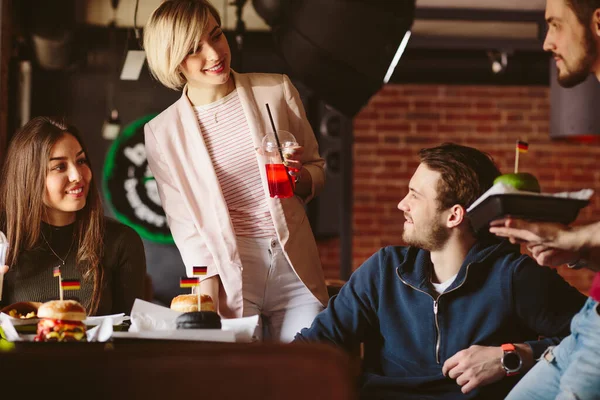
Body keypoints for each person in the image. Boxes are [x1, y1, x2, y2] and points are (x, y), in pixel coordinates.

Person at [294, 143, 586, 400]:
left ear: (454, 215)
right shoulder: (384, 270)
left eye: (414, 195)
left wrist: (511, 356)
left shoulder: (513, 275)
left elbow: (589, 338)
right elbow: (315, 346)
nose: (402, 204)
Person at [142, 0, 328, 342]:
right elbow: (187, 227)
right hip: (234, 271)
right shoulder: (163, 132)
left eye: (216, 36)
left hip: (295, 266)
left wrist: (297, 179)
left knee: (304, 376)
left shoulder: (275, 90)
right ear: (173, 60)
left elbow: (316, 170)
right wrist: (207, 301)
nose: (214, 54)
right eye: (195, 48)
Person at [488, 3, 600, 399]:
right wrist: (578, 253)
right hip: (590, 321)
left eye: (555, 24)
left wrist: (573, 238)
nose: (546, 42)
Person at [0, 117, 147, 316]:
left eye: (81, 161)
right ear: (29, 177)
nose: (77, 175)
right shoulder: (4, 242)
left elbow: (133, 334)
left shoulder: (121, 242)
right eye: (60, 167)